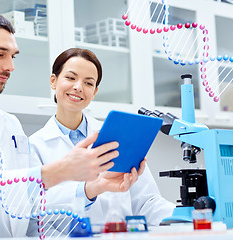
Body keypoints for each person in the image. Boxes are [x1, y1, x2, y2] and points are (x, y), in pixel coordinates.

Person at [0, 11, 144, 238]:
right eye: (0, 54)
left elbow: (33, 202)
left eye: (13, 56)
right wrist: (61, 170)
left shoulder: (9, 124)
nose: (10, 66)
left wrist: (92, 188)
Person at [29, 48, 176, 228]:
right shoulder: (35, 145)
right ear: (53, 81)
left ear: (95, 91)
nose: (78, 87)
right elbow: (34, 210)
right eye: (70, 78)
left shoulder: (118, 134)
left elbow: (146, 202)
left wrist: (186, 216)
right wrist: (87, 191)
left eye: (88, 83)